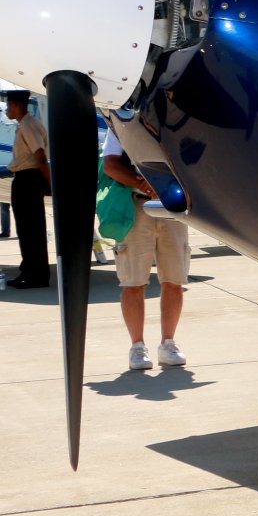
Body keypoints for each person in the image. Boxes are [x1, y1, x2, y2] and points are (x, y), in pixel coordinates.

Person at [102, 129, 188, 369]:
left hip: (173, 207)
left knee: (174, 279)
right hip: (136, 207)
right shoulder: (122, 125)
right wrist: (142, 183)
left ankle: (168, 343)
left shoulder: (175, 125)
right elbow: (110, 165)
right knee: (133, 281)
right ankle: (137, 347)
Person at [4, 91, 51, 288]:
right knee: (25, 229)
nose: (6, 109)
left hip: (28, 179)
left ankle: (37, 276)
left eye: (8, 105)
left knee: (32, 230)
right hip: (24, 179)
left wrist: (49, 183)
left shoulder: (28, 125)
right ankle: (28, 271)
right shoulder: (25, 124)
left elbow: (40, 156)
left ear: (16, 105)